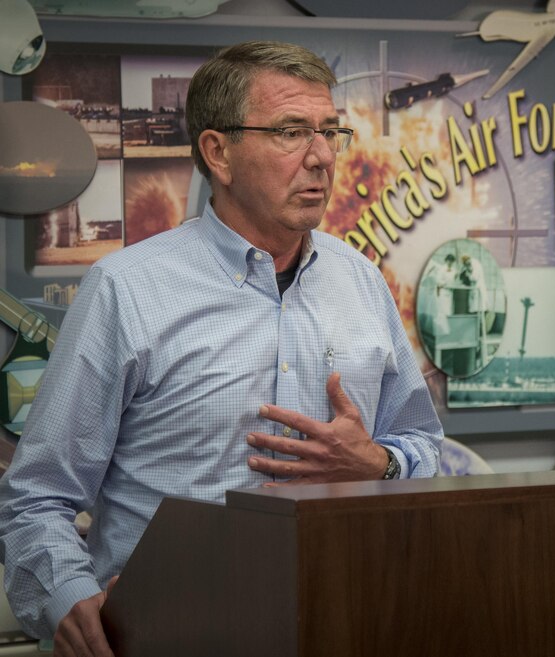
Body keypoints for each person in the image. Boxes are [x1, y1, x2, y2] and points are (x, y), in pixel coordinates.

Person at [0, 40, 443, 656]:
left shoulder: (363, 283)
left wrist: (379, 466)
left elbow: (424, 448)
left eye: (329, 131)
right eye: (292, 132)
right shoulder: (127, 290)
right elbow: (37, 498)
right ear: (218, 152)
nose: (322, 157)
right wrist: (70, 598)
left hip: (346, 626)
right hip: (171, 639)